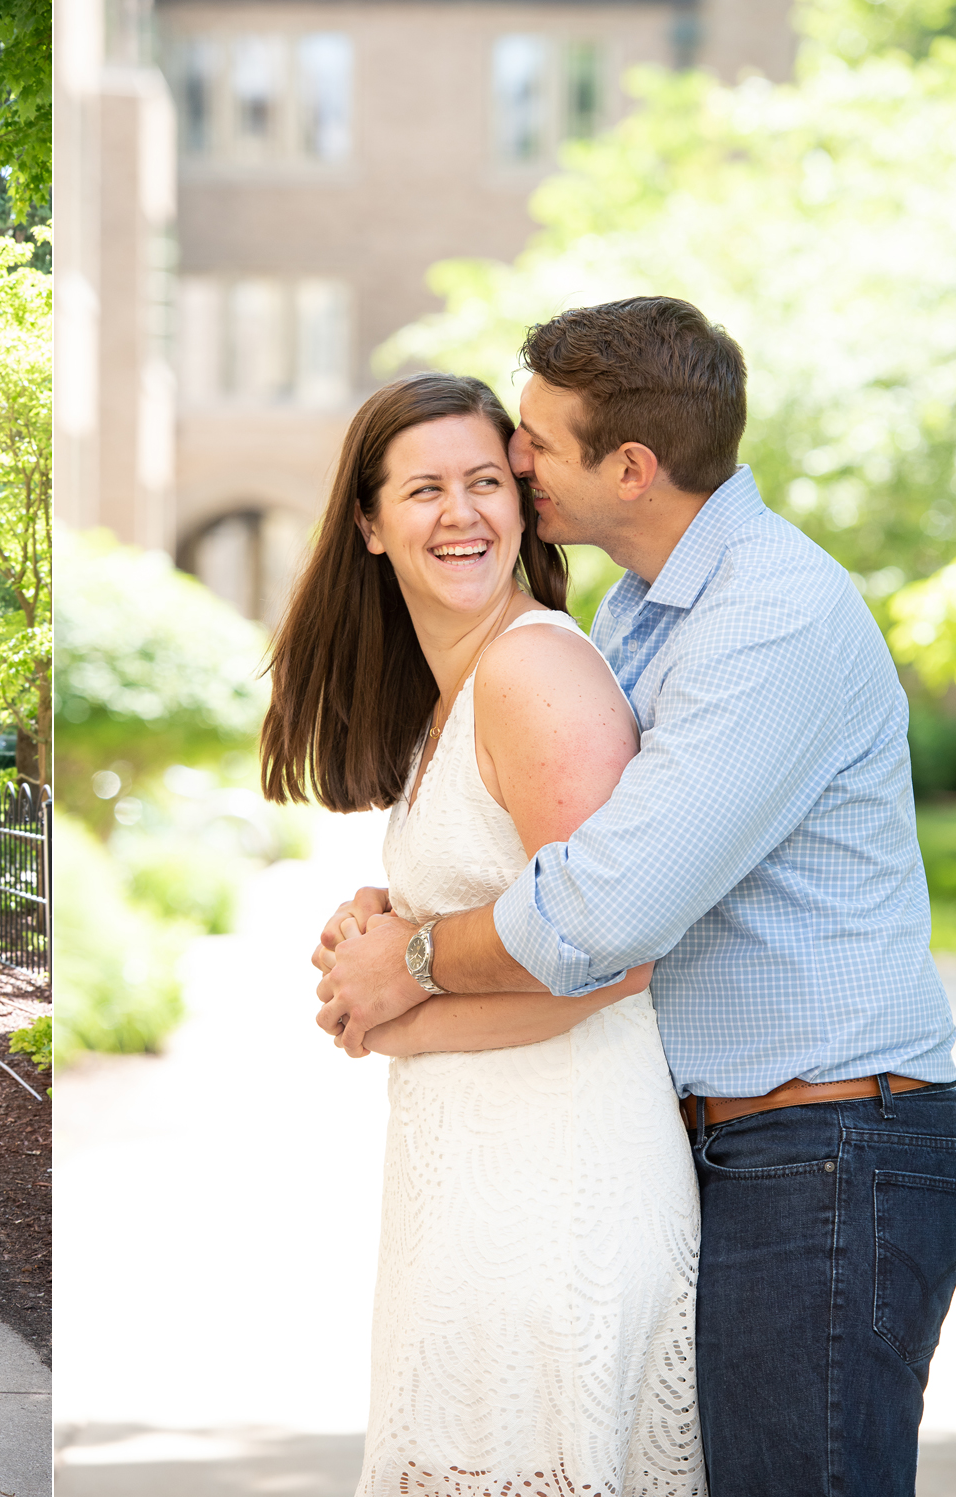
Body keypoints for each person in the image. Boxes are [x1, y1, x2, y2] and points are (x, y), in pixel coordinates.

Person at [312, 299, 956, 1497]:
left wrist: (404, 968)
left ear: (628, 466)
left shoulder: (765, 619)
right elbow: (555, 860)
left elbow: (603, 914)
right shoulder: (646, 612)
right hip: (745, 1141)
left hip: (830, 1144)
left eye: (531, 443)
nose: (512, 466)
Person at [262, 371, 702, 1493]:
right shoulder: (458, 686)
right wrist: (391, 921)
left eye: (482, 483)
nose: (459, 513)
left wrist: (402, 1012)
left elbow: (619, 955)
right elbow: (510, 897)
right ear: (366, 524)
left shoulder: (533, 671)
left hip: (558, 1186)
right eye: (422, 490)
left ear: (518, 503)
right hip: (474, 1188)